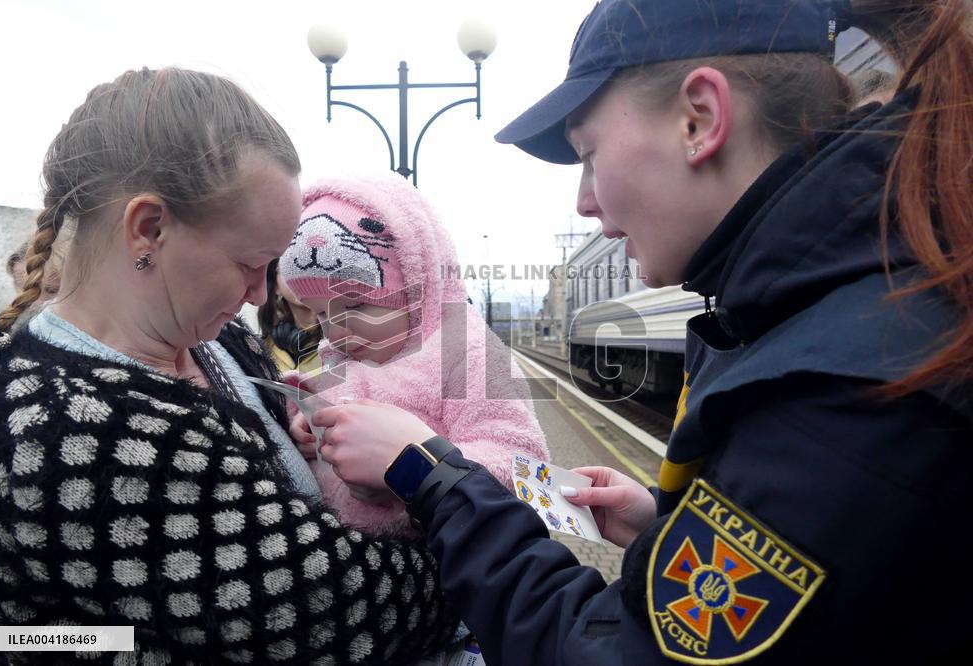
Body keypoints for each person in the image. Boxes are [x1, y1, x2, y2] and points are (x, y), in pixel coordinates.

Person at [302, 0, 973, 664]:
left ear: (699, 118)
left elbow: (613, 653)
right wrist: (671, 525)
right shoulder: (851, 312)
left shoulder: (838, 392)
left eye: (588, 155)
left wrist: (431, 473)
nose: (584, 200)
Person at [0, 67, 462, 664]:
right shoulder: (69, 425)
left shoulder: (215, 341)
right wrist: (489, 537)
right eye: (249, 262)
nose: (261, 295)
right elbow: (344, 615)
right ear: (149, 228)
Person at [280, 174, 548, 535]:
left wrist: (411, 471)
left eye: (357, 304)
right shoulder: (340, 356)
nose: (335, 331)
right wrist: (306, 421)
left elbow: (523, 465)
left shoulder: (466, 355)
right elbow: (318, 404)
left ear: (416, 286)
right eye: (322, 314)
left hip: (447, 568)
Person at [257, 258, 324, 374]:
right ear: (276, 287)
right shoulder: (264, 352)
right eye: (290, 268)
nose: (301, 278)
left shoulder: (343, 336)